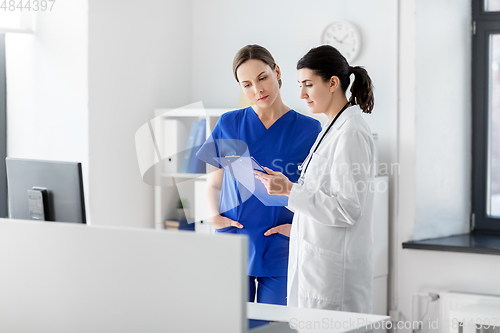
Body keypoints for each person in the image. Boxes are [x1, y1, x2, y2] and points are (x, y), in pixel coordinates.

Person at [196, 45, 321, 308]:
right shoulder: (229, 123)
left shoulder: (309, 129)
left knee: (274, 324)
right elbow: (215, 182)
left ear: (276, 71)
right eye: (247, 84)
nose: (257, 90)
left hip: (280, 242)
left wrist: (296, 229)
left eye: (262, 78)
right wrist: (213, 217)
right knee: (231, 322)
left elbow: (315, 191)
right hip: (233, 239)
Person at [254, 45, 376, 313]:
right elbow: (322, 194)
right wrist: (290, 189)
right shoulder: (331, 128)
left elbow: (347, 209)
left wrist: (289, 191)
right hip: (317, 269)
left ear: (333, 83)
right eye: (299, 85)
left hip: (333, 279)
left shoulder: (350, 133)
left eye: (308, 84)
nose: (301, 94)